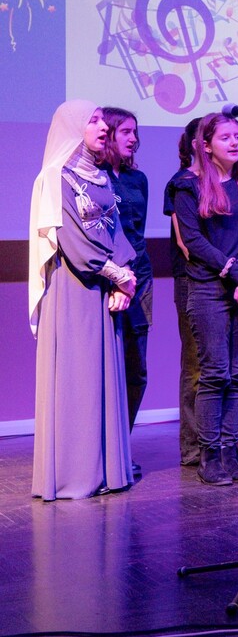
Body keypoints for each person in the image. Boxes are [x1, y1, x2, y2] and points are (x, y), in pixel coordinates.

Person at [30, 101, 137, 500]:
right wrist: (117, 275)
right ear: (73, 127)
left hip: (103, 287)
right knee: (78, 377)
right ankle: (75, 474)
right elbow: (73, 242)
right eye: (92, 121)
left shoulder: (101, 176)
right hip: (74, 289)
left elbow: (117, 232)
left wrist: (124, 277)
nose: (103, 127)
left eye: (102, 120)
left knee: (103, 375)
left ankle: (106, 468)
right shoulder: (55, 178)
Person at [174, 113, 238, 487]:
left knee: (236, 375)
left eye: (237, 136)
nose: (235, 142)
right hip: (208, 288)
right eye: (226, 137)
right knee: (215, 373)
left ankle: (228, 450)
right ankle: (208, 454)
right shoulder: (186, 186)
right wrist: (232, 271)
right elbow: (193, 241)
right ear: (205, 145)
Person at [98, 107, 153, 455]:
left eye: (135, 132)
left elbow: (138, 232)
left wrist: (134, 274)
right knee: (107, 369)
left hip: (140, 277)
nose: (133, 139)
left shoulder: (138, 179)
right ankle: (101, 452)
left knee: (137, 369)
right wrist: (118, 276)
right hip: (108, 279)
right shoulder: (95, 177)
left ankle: (122, 449)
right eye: (126, 132)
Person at [164, 117, 203, 467]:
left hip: (221, 281)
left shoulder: (227, 183)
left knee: (220, 368)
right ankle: (193, 447)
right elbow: (185, 242)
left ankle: (217, 443)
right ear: (197, 144)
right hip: (192, 280)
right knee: (195, 367)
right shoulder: (181, 183)